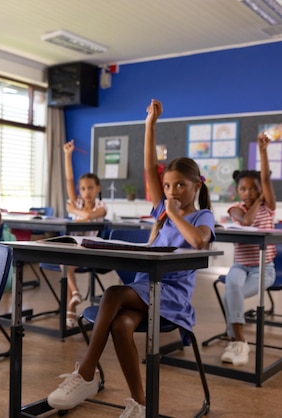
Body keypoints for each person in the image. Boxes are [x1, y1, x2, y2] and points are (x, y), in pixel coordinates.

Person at [46, 99, 215, 417]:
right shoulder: (163, 207)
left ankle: (85, 374)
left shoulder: (201, 216)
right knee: (121, 325)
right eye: (168, 186)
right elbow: (150, 167)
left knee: (111, 293)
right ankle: (140, 403)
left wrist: (174, 215)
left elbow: (200, 241)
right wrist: (149, 124)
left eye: (180, 185)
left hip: (172, 297)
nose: (172, 190)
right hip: (145, 289)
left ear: (197, 185)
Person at [220, 132, 276, 366]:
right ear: (237, 191)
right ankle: (241, 343)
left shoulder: (269, 208)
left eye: (254, 189)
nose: (249, 193)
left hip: (265, 269)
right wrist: (255, 202)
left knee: (231, 296)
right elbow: (246, 222)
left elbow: (265, 179)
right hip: (240, 267)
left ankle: (234, 338)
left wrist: (263, 152)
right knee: (232, 286)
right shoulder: (235, 209)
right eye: (243, 189)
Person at [62, 139, 107, 327]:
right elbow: (69, 180)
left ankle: (72, 302)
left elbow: (90, 215)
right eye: (83, 189)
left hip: (92, 250)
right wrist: (67, 155)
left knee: (66, 265)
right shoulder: (78, 202)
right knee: (65, 266)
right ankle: (74, 297)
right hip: (76, 248)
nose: (86, 192)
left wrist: (74, 212)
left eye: (90, 188)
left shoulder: (101, 206)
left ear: (98, 188)